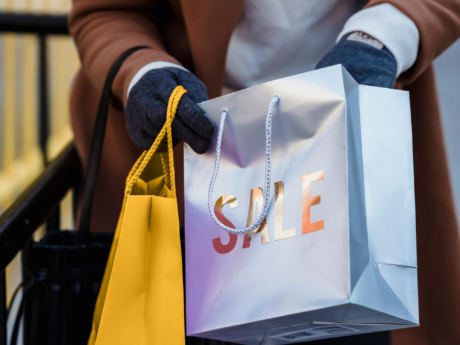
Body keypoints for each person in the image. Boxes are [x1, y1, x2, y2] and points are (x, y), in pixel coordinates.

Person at [69, 1, 460, 344]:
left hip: (349, 146)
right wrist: (142, 70)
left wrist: (378, 38)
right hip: (196, 160)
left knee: (356, 323)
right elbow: (107, 11)